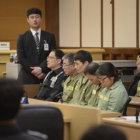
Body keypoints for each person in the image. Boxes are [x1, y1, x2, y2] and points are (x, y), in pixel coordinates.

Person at [17, 8, 56, 84]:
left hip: (45, 75)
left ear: (41, 19)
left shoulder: (50, 36)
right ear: (27, 20)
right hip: (27, 77)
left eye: (37, 17)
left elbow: (52, 55)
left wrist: (41, 68)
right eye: (32, 17)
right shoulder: (22, 37)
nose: (35, 20)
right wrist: (34, 71)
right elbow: (21, 58)